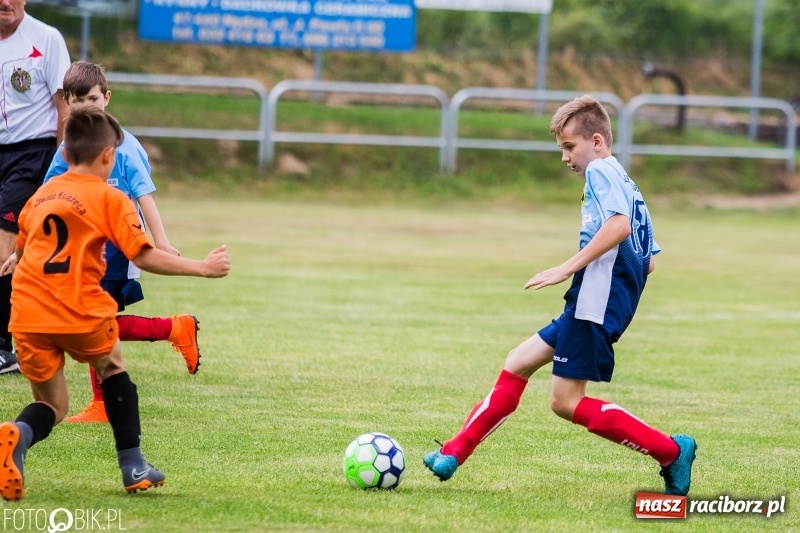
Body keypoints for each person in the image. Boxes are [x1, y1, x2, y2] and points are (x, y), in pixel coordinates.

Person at [423, 95, 697, 496]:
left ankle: (671, 451)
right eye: (562, 149)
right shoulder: (628, 182)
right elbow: (649, 260)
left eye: (570, 146)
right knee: (517, 363)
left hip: (594, 304)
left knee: (565, 402)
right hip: (595, 302)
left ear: (598, 141)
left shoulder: (601, 172)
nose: (566, 157)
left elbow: (620, 228)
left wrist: (567, 268)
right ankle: (453, 452)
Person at [0, 104, 229, 501]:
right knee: (112, 367)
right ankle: (133, 464)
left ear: (66, 154)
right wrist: (203, 268)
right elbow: (144, 256)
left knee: (52, 404)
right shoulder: (111, 198)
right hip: (80, 309)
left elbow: (21, 250)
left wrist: (16, 257)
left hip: (26, 314)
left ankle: (18, 433)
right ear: (110, 156)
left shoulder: (39, 198)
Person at [44, 60, 200, 424]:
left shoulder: (124, 147)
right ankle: (174, 328)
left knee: (96, 323)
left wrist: (160, 241)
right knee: (94, 323)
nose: (87, 107)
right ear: (68, 102)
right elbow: (48, 193)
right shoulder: (70, 146)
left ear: (107, 98)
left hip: (117, 248)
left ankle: (102, 403)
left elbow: (145, 196)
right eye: (78, 100)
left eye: (93, 98)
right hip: (82, 248)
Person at [0, 0, 71, 374]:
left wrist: (58, 169)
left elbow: (65, 109)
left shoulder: (46, 38)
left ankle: (3, 347)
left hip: (32, 154)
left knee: (4, 244)